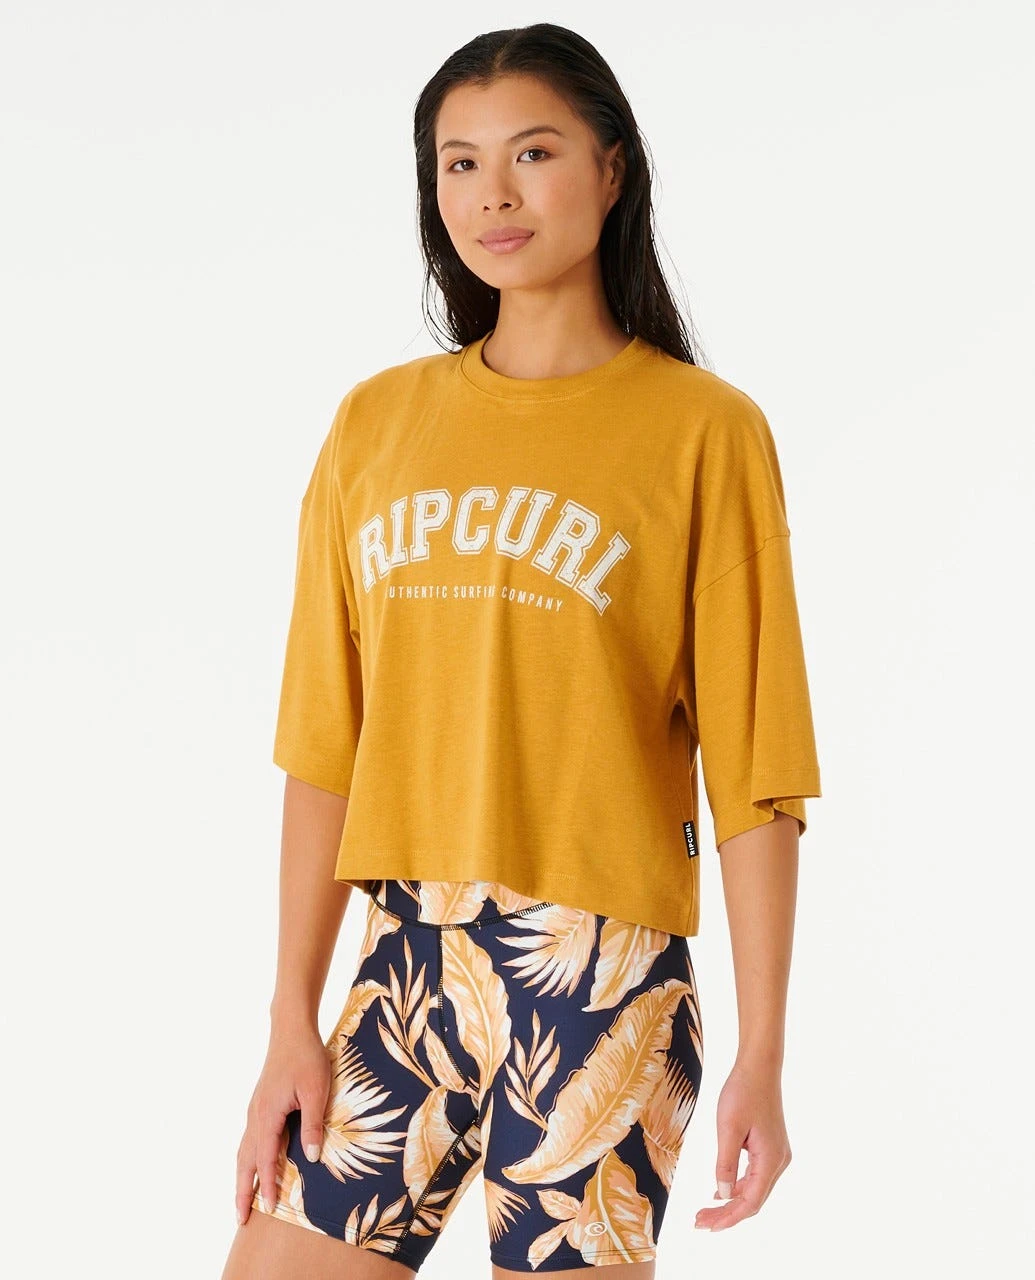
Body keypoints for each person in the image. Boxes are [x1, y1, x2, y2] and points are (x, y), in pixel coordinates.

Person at [221, 21, 821, 1280]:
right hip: (404, 964)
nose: (493, 193)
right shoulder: (376, 425)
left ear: (611, 168)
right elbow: (325, 743)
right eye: (460, 162)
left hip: (600, 983)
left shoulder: (703, 431)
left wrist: (763, 1050)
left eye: (533, 152)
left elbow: (758, 772)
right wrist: (290, 1015)